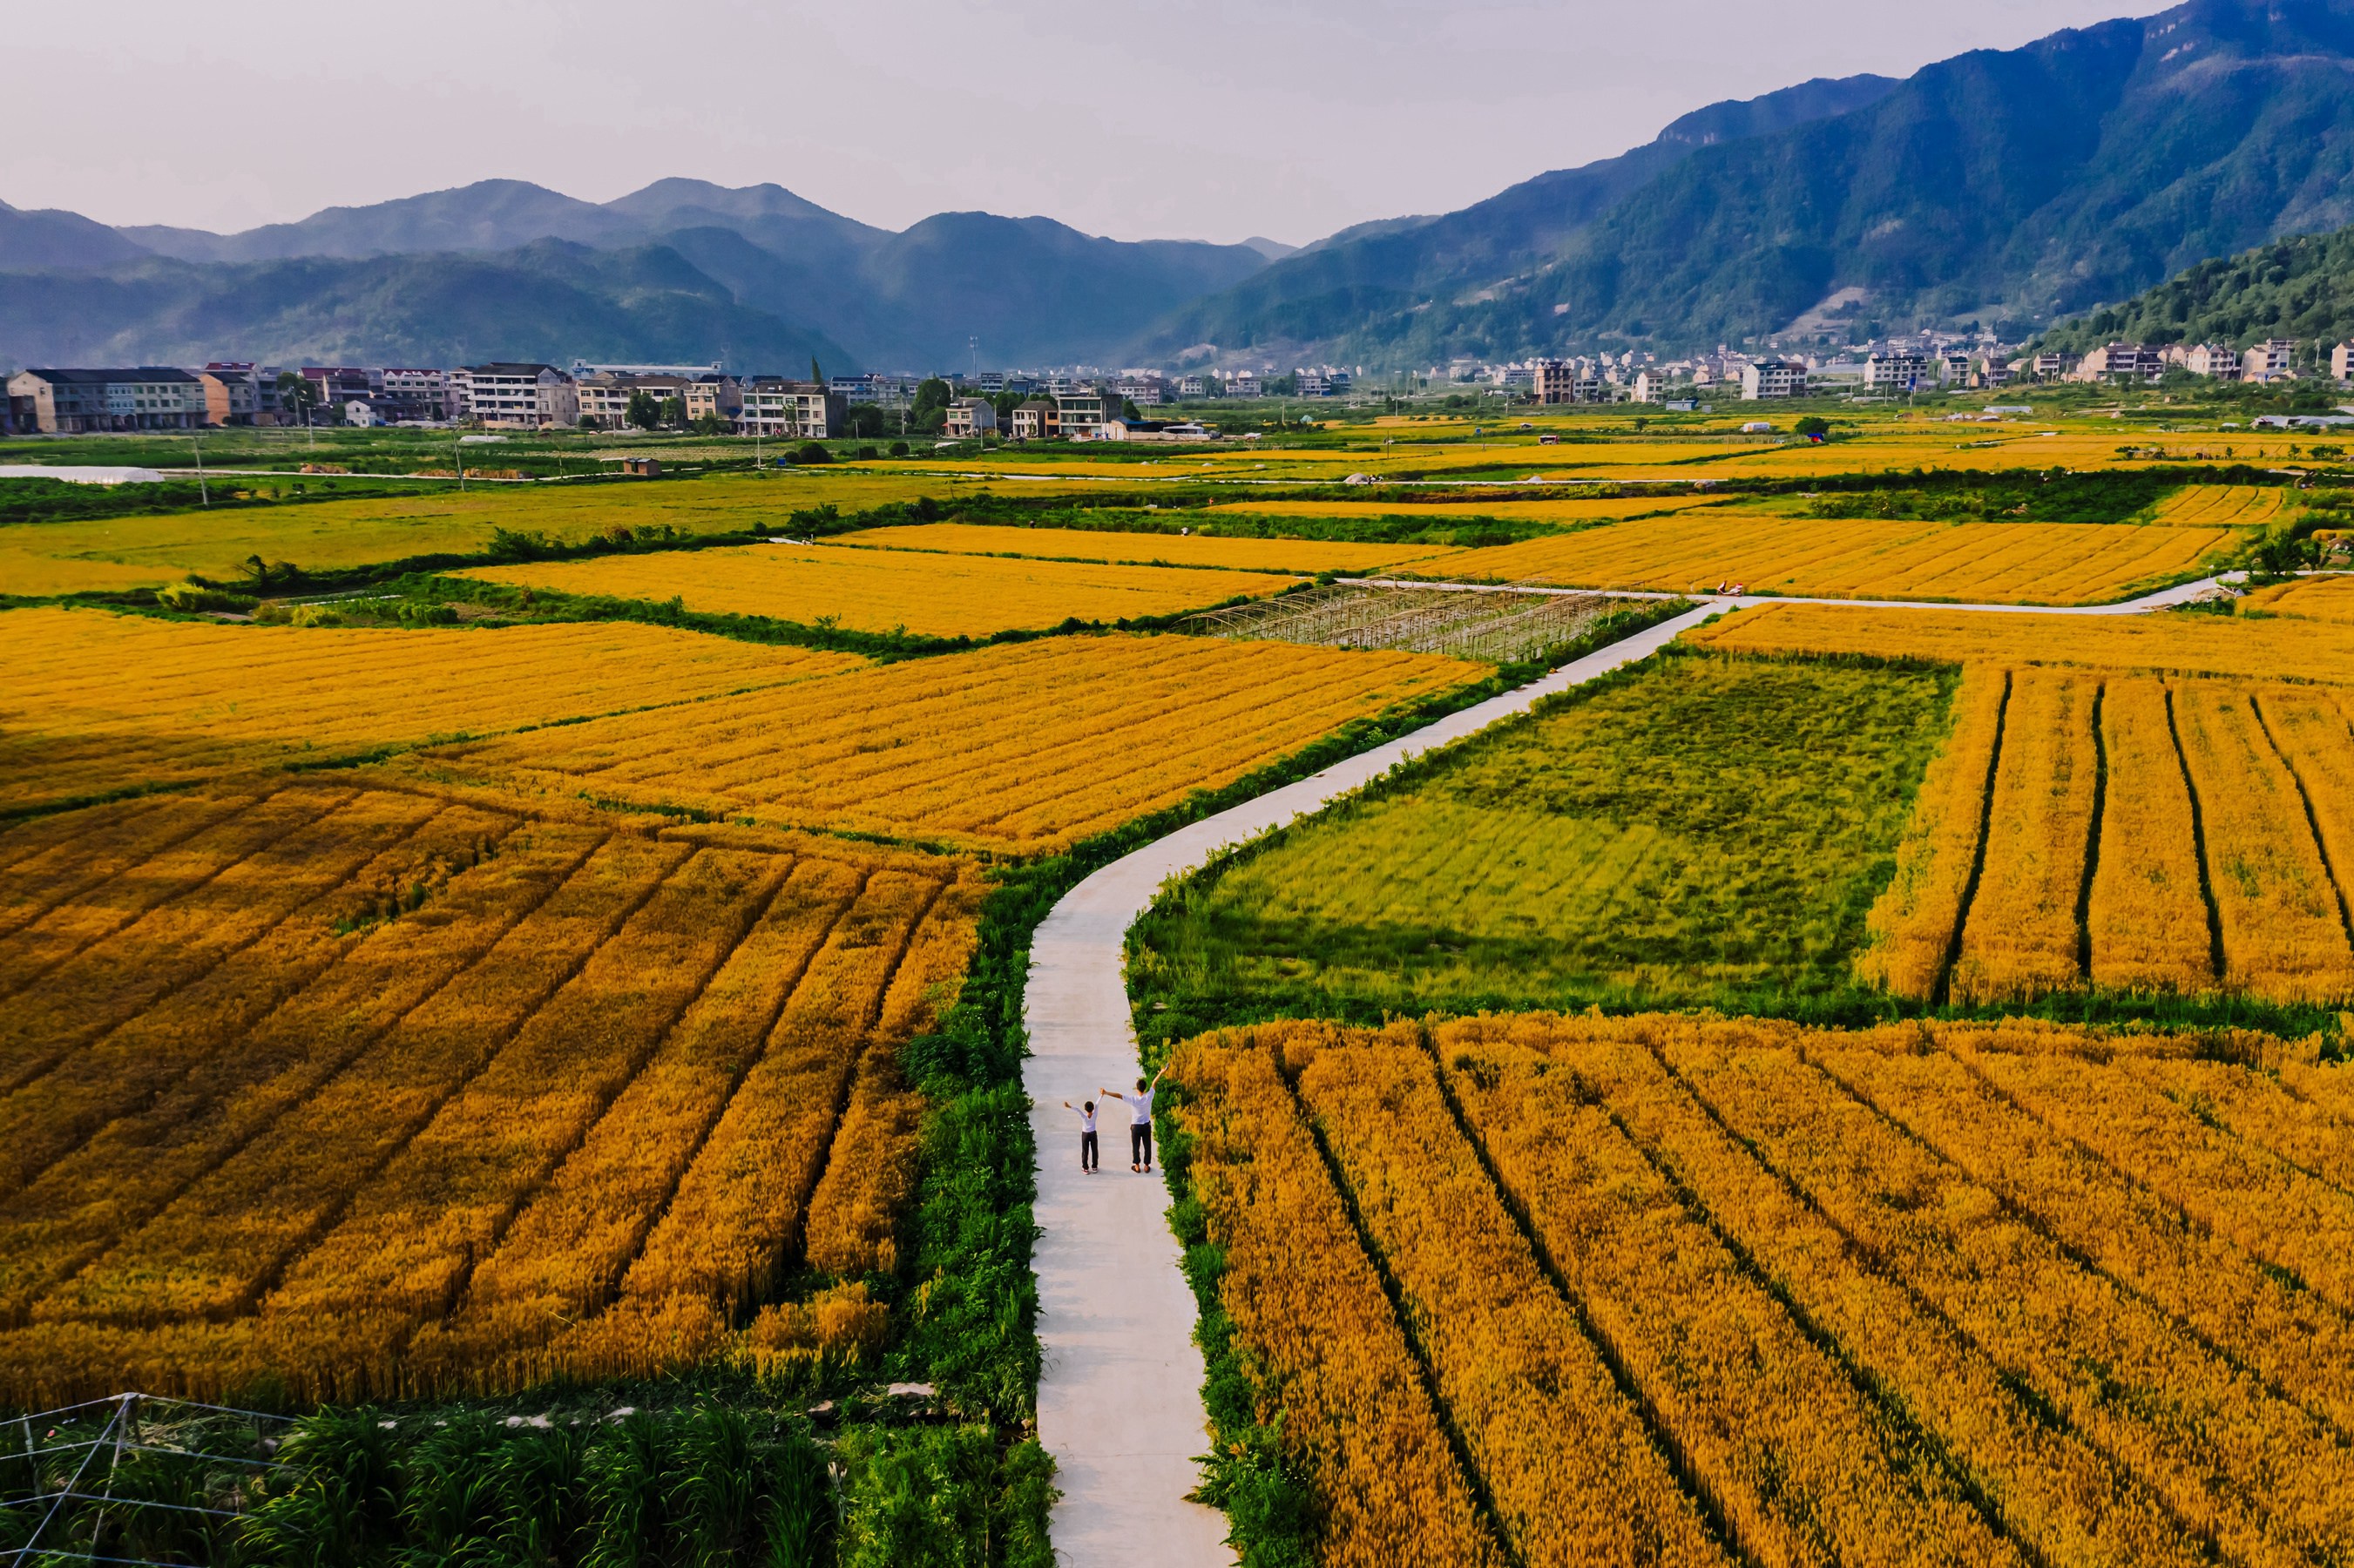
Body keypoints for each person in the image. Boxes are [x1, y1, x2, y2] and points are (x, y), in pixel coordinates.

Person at [1101, 1064, 1168, 1173]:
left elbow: (1119, 1096)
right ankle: (1146, 1166)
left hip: (1135, 1127)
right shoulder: (1149, 1096)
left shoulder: (1133, 1099)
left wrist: (1106, 1092)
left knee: (1135, 1146)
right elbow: (1154, 1083)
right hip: (1146, 1126)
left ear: (1137, 1088)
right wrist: (1161, 1072)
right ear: (1145, 1088)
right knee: (1147, 1146)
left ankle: (1137, 1166)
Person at [1062, 1099, 1099, 1173]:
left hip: (1085, 1134)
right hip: (1093, 1134)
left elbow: (1077, 1110)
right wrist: (1102, 1095)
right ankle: (1094, 1167)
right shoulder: (1095, 1114)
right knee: (1094, 1150)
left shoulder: (1083, 1116)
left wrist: (1069, 1106)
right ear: (1093, 1108)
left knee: (1085, 1151)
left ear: (1085, 1109)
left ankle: (1085, 1168)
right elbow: (1097, 1104)